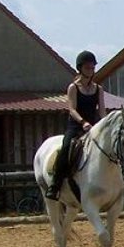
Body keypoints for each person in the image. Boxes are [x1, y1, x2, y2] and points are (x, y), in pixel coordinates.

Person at [45, 50, 106, 201]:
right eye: (87, 68)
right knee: (66, 147)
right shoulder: (73, 87)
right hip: (76, 126)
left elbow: (102, 111)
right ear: (80, 68)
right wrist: (83, 122)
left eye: (92, 68)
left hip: (93, 127)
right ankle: (55, 185)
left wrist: (105, 125)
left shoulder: (98, 89)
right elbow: (72, 109)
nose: (91, 71)